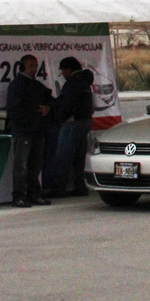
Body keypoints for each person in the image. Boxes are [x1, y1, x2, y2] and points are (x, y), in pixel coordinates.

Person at [6, 54, 53, 207]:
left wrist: (48, 108)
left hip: (38, 131)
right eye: (31, 65)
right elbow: (13, 110)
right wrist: (27, 122)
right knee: (21, 166)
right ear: (22, 67)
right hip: (23, 132)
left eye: (35, 65)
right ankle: (19, 196)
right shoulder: (16, 86)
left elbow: (51, 100)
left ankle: (34, 194)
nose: (34, 69)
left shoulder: (37, 85)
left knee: (35, 166)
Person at [52, 56, 94, 196]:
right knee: (79, 156)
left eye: (63, 71)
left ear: (68, 69)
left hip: (72, 122)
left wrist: (59, 117)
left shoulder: (73, 82)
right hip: (85, 121)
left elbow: (68, 104)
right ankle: (80, 186)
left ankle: (59, 188)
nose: (62, 74)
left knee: (63, 155)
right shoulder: (85, 81)